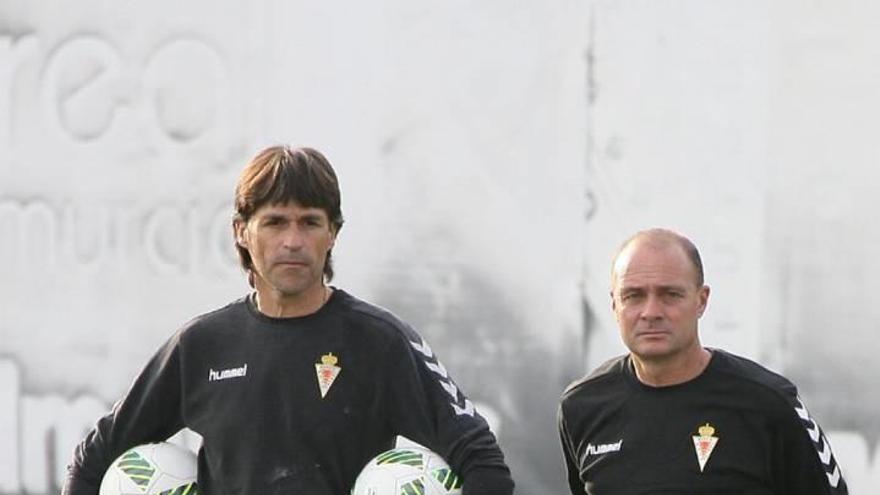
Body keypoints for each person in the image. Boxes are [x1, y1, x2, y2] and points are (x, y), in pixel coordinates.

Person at [63, 145, 514, 495]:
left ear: (333, 232)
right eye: (275, 222)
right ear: (242, 231)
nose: (293, 241)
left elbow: (482, 462)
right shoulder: (201, 345)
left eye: (310, 222)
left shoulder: (380, 341)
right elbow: (92, 462)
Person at [557, 228, 848, 494]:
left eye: (670, 294)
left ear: (701, 300)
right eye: (633, 296)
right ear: (614, 304)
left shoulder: (769, 403)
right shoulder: (582, 406)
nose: (651, 311)